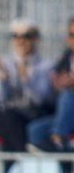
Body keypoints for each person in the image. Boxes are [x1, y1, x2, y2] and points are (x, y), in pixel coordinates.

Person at [0, 18, 55, 151]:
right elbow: (1, 97)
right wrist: (4, 79)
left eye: (26, 36)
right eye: (15, 36)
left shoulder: (45, 66)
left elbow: (40, 99)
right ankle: (18, 157)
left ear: (35, 39)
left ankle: (15, 159)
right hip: (8, 115)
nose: (20, 41)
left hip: (32, 114)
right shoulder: (5, 63)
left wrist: (26, 79)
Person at [27, 16, 74, 152]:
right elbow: (55, 79)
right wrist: (60, 82)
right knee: (34, 130)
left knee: (68, 95)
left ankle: (58, 137)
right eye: (71, 35)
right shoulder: (67, 56)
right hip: (67, 114)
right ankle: (62, 164)